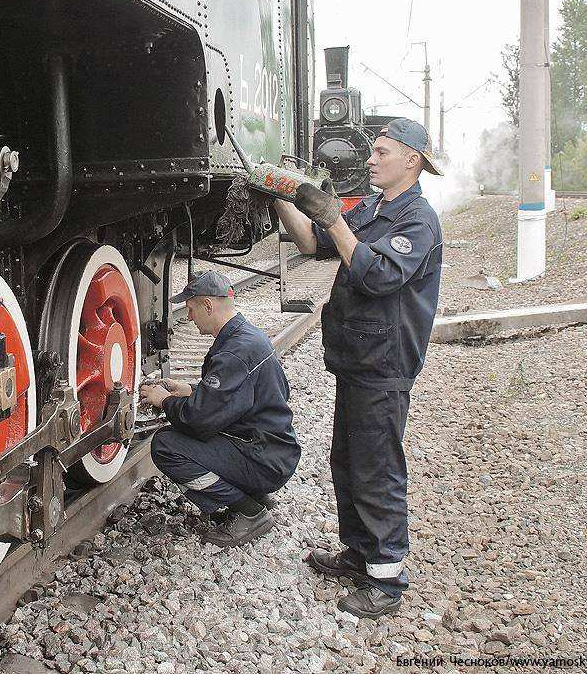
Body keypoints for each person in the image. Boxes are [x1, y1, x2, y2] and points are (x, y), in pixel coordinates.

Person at [275, 117, 443, 619]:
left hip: (385, 363)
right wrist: (279, 194)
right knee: (347, 461)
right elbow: (312, 243)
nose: (371, 158)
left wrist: (334, 219)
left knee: (377, 469)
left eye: (382, 153)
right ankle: (358, 553)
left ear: (411, 160)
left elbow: (375, 275)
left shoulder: (418, 220)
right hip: (356, 359)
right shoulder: (374, 208)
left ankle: (387, 579)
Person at [140, 270, 300, 547]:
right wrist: (188, 389)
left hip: (263, 459)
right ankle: (254, 494)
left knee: (166, 445)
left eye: (191, 309)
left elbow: (198, 420)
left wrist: (163, 401)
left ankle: (249, 512)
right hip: (273, 449)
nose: (189, 317)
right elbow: (235, 396)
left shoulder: (232, 354)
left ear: (208, 306)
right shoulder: (246, 337)